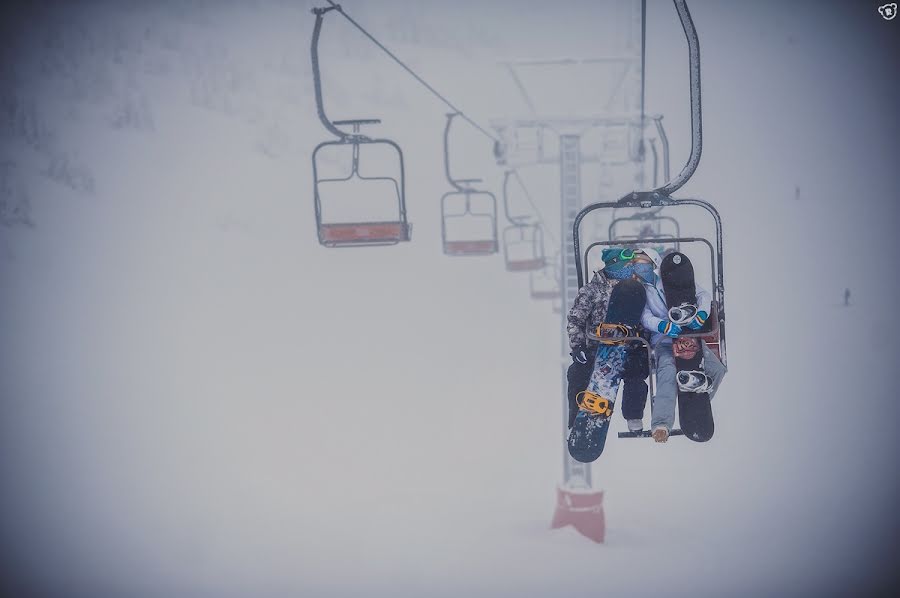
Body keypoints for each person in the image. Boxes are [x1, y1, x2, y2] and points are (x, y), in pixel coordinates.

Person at [634, 249, 727, 443]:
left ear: (653, 264)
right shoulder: (640, 290)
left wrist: (701, 315)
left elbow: (703, 295)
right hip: (663, 341)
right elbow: (644, 317)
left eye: (642, 262)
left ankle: (697, 397)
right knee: (667, 371)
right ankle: (661, 423)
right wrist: (662, 325)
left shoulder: (672, 282)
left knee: (717, 369)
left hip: (689, 338)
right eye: (636, 263)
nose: (639, 266)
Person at [565, 248, 651, 432]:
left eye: (631, 265)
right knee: (577, 373)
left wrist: (641, 339)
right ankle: (577, 420)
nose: (630, 268)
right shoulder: (592, 290)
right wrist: (577, 345)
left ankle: (633, 416)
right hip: (598, 346)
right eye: (627, 265)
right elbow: (575, 319)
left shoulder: (636, 289)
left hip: (628, 345)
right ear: (614, 264)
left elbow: (644, 318)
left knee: (636, 372)